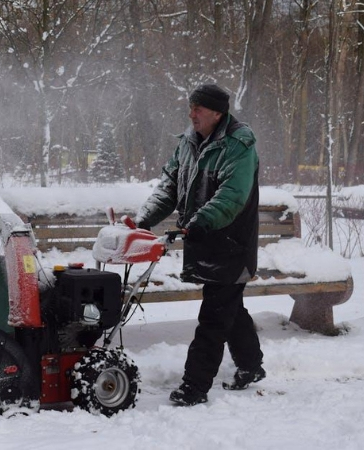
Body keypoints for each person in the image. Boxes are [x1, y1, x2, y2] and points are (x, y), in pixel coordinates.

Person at [134, 84, 265, 406]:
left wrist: (200, 221)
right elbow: (169, 187)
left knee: (214, 316)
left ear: (217, 113)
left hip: (231, 241)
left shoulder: (238, 146)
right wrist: (143, 221)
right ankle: (251, 366)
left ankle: (195, 386)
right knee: (229, 307)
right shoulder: (189, 144)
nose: (191, 114)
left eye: (198, 109)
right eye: (190, 107)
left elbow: (232, 196)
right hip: (203, 238)